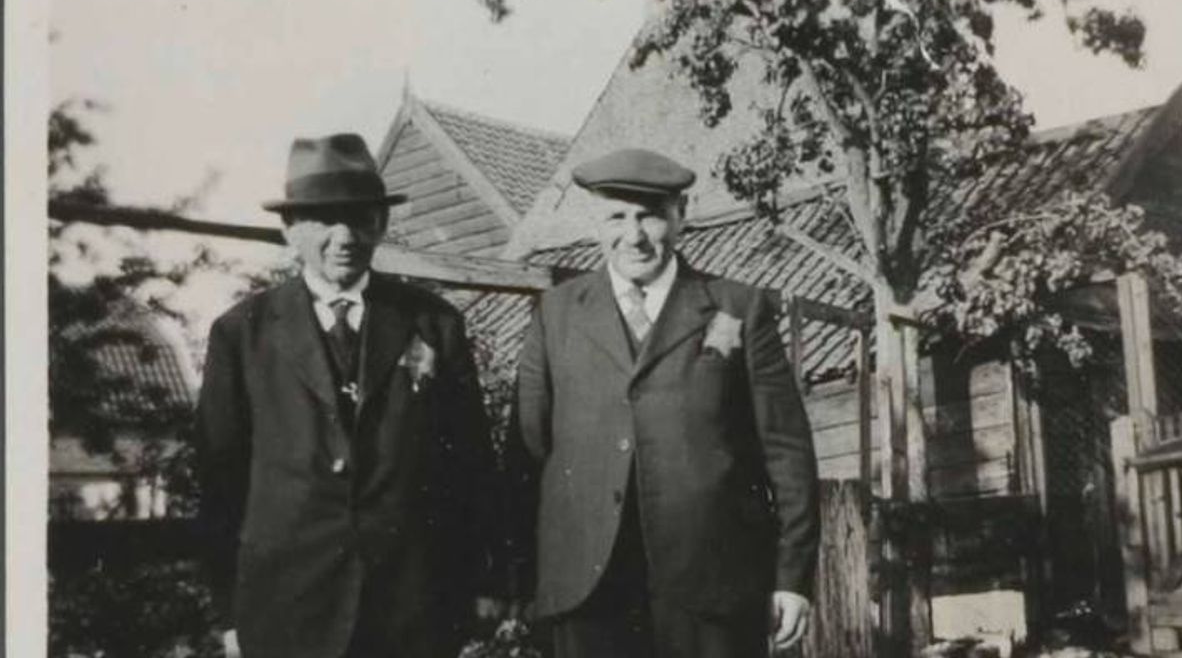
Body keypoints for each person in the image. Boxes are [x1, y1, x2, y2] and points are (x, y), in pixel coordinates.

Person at [196, 133, 499, 658]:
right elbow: (220, 482)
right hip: (287, 607)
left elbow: (469, 466)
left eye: (360, 217)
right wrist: (229, 611)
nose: (344, 236)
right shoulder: (242, 333)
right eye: (322, 218)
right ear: (289, 230)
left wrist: (481, 582)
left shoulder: (433, 322)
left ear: (381, 225)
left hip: (411, 610)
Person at [515, 148, 820, 658]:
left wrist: (792, 576)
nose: (633, 236)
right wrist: (519, 578)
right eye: (616, 217)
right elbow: (526, 452)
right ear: (596, 222)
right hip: (588, 591)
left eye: (650, 216)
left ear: (682, 214)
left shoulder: (736, 307)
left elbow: (787, 451)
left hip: (712, 589)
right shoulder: (557, 313)